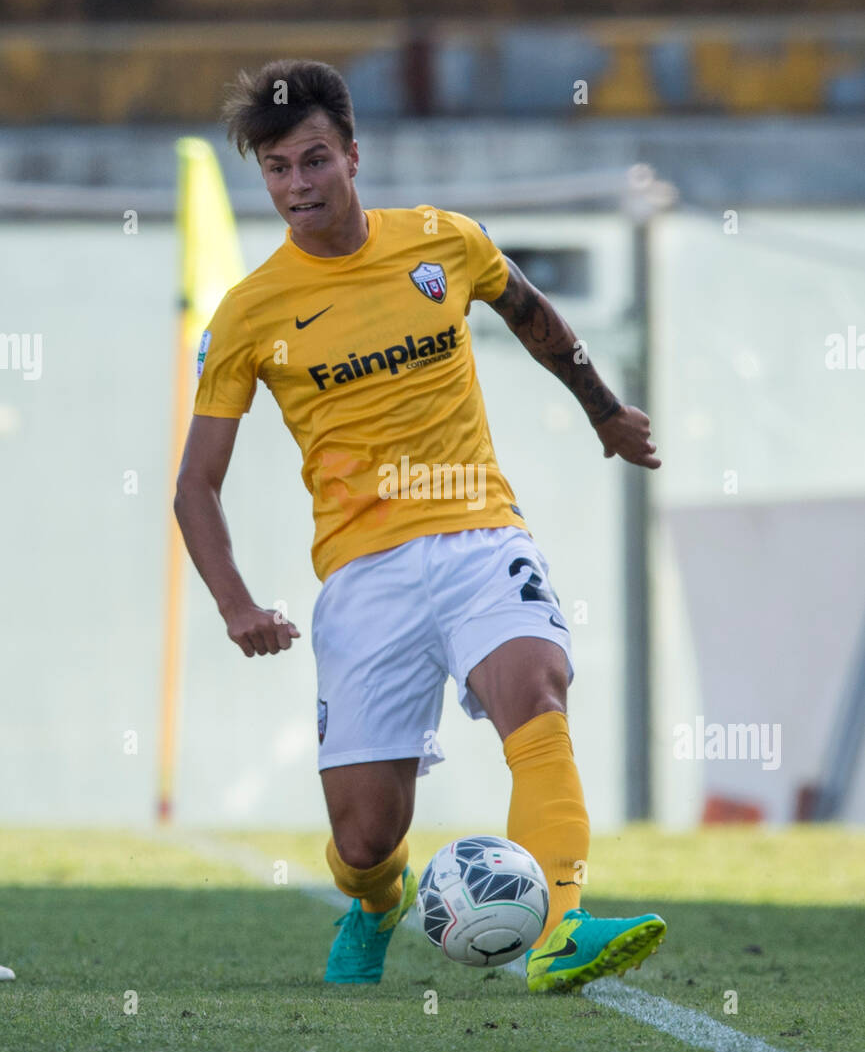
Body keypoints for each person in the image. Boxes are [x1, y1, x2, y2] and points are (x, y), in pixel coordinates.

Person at [174, 58, 666, 993]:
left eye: (313, 160)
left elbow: (534, 316)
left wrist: (604, 411)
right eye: (276, 170)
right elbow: (195, 486)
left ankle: (561, 928)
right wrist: (236, 605)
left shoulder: (445, 242)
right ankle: (377, 901)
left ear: (353, 156)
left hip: (481, 531)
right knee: (364, 837)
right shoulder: (248, 315)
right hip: (364, 573)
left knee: (538, 688)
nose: (296, 186)